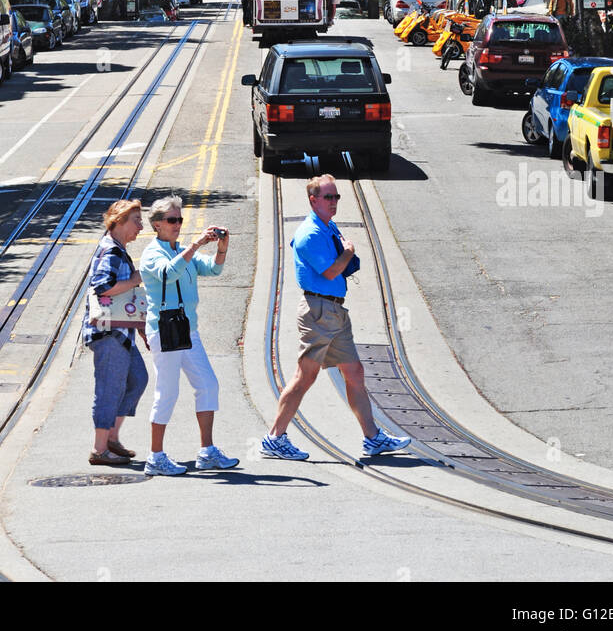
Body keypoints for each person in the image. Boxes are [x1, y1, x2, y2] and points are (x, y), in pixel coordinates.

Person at [261, 174, 412, 462]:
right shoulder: (310, 234)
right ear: (313, 199)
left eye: (336, 197)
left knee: (354, 372)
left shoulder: (326, 226)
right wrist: (349, 252)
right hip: (318, 312)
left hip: (334, 311)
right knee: (305, 376)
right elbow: (330, 271)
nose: (334, 202)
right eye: (328, 197)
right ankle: (274, 438)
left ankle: (372, 437)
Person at [139, 196, 238, 476]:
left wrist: (221, 247)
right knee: (167, 393)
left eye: (180, 220)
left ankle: (207, 451)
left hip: (187, 329)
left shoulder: (181, 250)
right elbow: (168, 274)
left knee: (208, 384)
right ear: (157, 224)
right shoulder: (152, 254)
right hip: (164, 330)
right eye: (172, 220)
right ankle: (155, 456)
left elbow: (214, 269)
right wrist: (195, 246)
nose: (177, 225)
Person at [83, 199, 150, 467]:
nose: (141, 226)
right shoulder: (111, 251)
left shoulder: (118, 249)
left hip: (121, 332)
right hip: (108, 334)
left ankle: (111, 438)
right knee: (109, 388)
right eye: (136, 220)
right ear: (119, 221)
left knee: (137, 379)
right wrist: (135, 280)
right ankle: (100, 450)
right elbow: (103, 287)